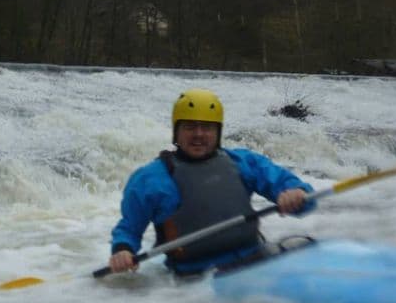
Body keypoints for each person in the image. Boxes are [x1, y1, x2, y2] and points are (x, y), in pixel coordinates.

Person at [109, 88, 315, 277]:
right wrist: (122, 250)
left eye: (207, 127)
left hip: (254, 261)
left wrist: (296, 194)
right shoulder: (150, 179)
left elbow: (299, 194)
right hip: (195, 279)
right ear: (177, 132)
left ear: (217, 132)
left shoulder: (243, 162)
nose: (199, 134)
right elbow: (128, 229)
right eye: (190, 127)